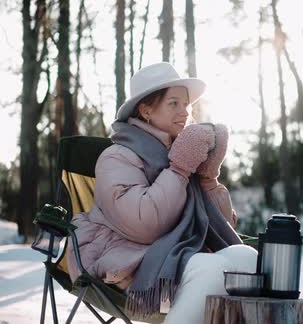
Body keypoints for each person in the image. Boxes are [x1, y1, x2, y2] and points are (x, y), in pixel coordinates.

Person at [66, 62, 257, 323]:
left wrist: (208, 178)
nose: (185, 112)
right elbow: (146, 225)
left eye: (186, 104)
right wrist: (179, 169)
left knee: (247, 259)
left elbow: (218, 226)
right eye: (173, 104)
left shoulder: (181, 152)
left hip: (174, 258)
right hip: (124, 270)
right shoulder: (117, 157)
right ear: (146, 110)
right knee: (209, 269)